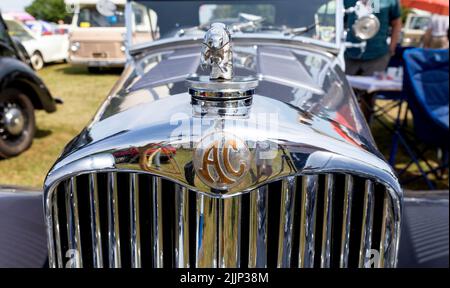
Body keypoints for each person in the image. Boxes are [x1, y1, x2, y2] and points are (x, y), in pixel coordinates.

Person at [344, 0, 402, 121]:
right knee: (344, 95)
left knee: (368, 98)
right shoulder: (347, 1)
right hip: (350, 54)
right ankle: (343, 129)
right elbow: (341, 20)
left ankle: (364, 133)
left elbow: (396, 22)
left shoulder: (389, 2)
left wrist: (391, 48)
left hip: (377, 55)